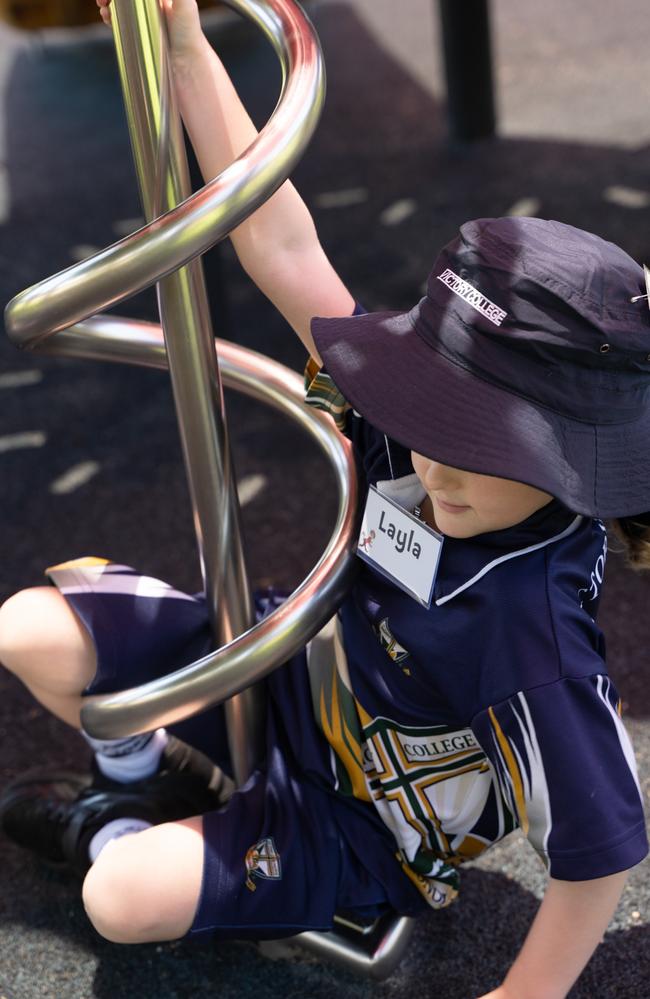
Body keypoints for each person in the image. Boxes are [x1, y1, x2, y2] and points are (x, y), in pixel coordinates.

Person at [0, 1, 648, 996]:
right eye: (433, 425)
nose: (433, 469)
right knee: (28, 631)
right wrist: (183, 42)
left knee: (117, 895)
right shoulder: (406, 428)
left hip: (363, 821)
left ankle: (125, 819)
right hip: (289, 678)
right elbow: (278, 243)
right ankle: (161, 776)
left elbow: (600, 848)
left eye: (478, 448)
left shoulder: (530, 630)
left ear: (569, 459)